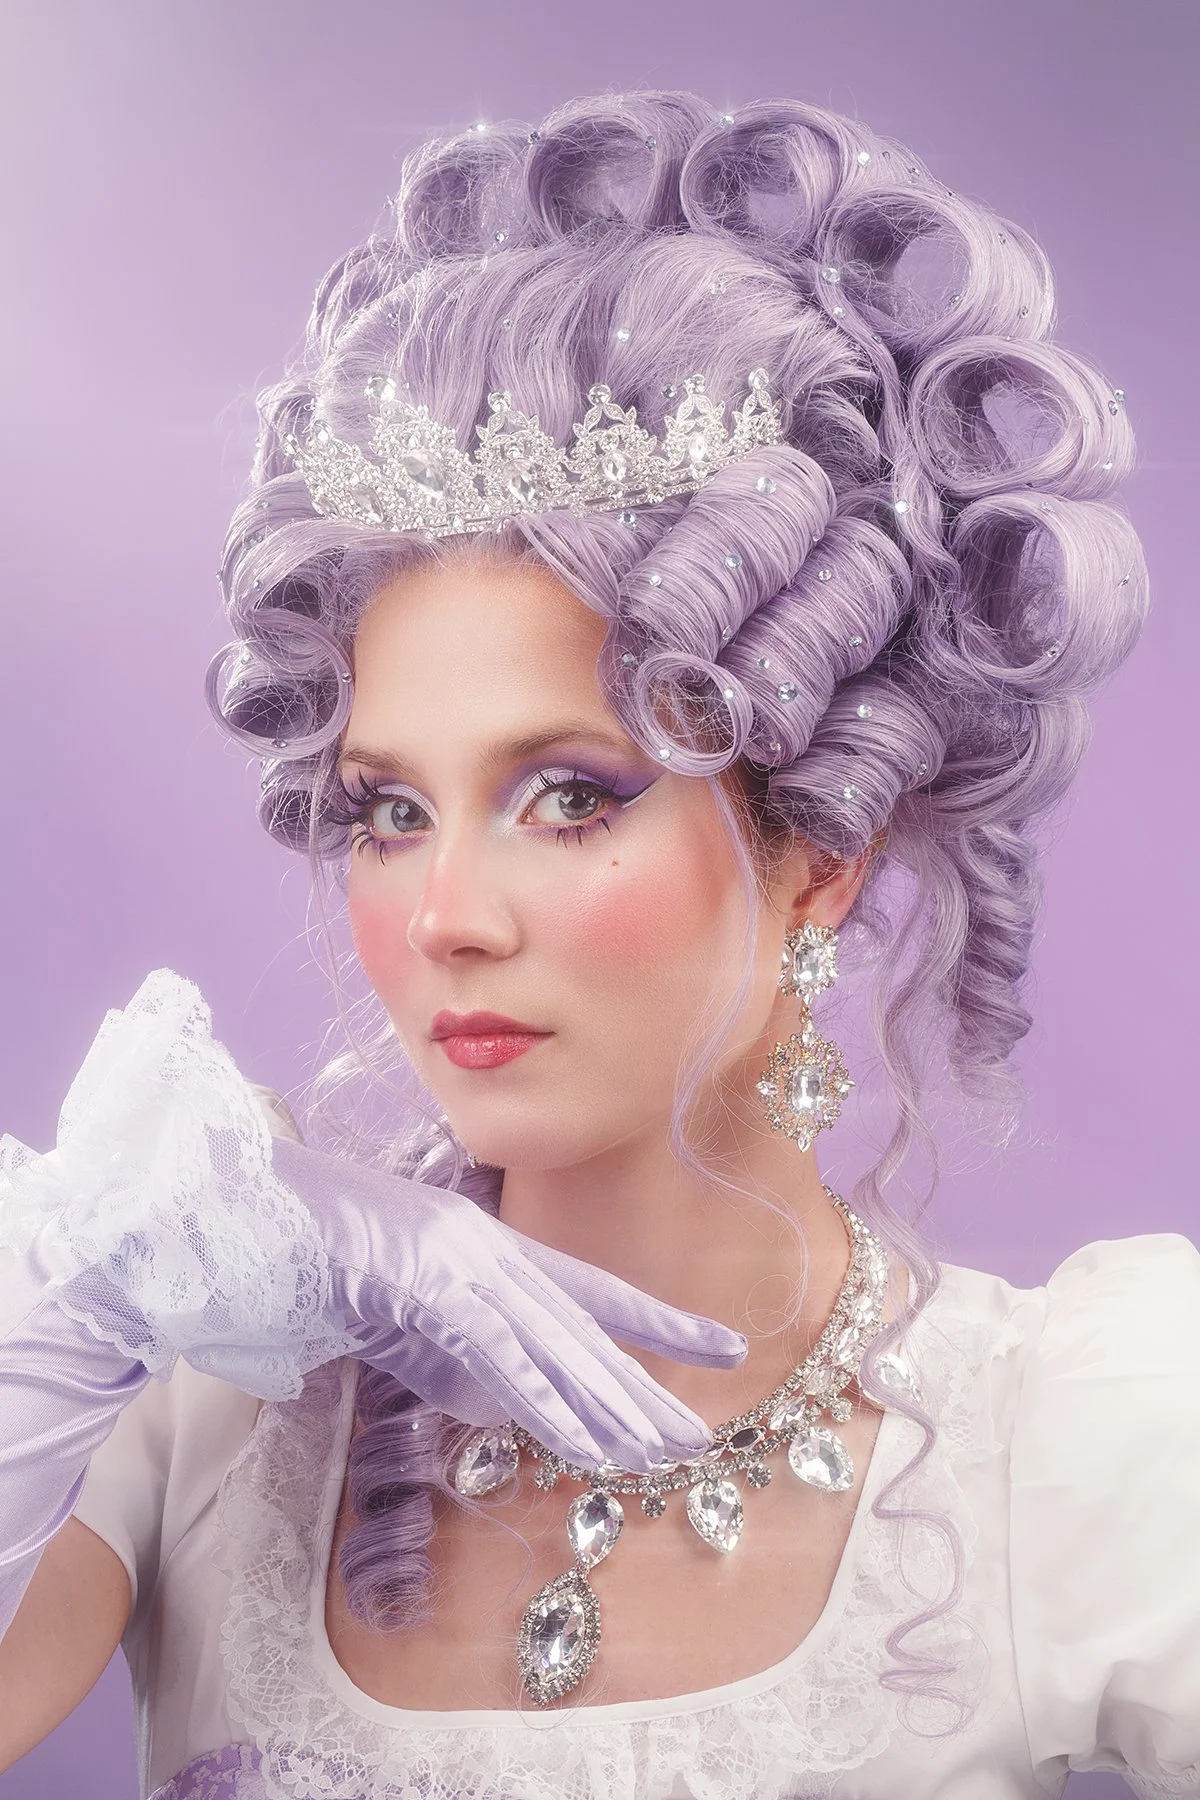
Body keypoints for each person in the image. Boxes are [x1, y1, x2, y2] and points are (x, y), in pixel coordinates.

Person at [1, 86, 1196, 1800]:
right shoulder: (195, 1404)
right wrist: (90, 1286)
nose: (447, 917)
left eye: (570, 795)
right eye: (388, 809)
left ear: (822, 853)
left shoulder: (1077, 1450)